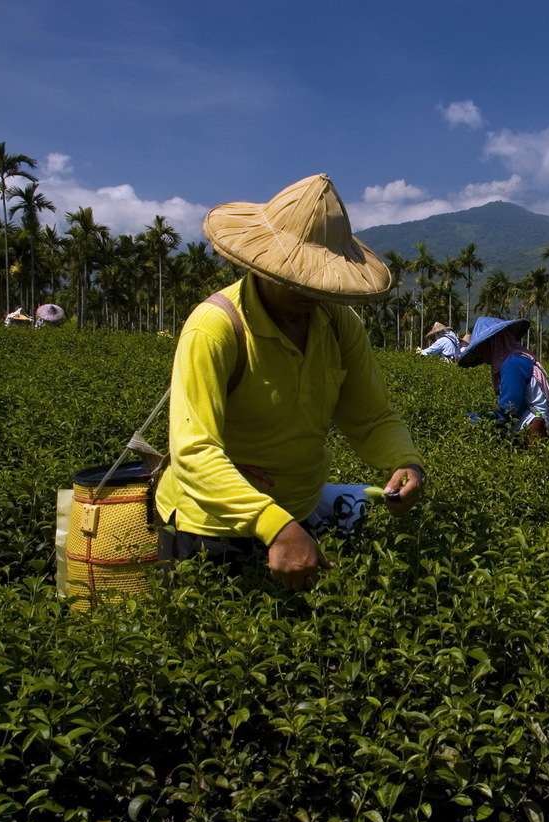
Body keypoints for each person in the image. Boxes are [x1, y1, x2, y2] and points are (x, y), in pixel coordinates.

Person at [154, 174, 426, 591]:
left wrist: (405, 461)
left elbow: (371, 417)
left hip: (296, 515)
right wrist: (273, 524)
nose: (310, 289)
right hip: (211, 527)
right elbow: (194, 451)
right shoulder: (216, 326)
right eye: (296, 277)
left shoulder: (339, 324)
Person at [459, 316, 549, 442]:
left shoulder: (513, 363)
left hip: (536, 425)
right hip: (528, 416)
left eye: (483, 347)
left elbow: (510, 409)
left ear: (492, 343)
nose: (482, 354)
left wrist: (477, 420)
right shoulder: (514, 359)